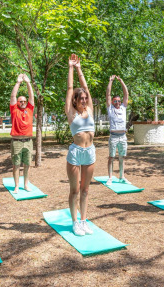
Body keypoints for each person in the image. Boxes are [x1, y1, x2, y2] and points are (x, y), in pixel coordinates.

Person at [65, 54, 96, 236]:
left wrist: (79, 68)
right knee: (75, 189)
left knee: (85, 189)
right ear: (75, 100)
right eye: (81, 98)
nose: (84, 100)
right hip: (76, 152)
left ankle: (84, 221)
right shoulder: (71, 113)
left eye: (85, 98)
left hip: (90, 152)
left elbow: (85, 87)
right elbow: (71, 88)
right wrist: (70, 68)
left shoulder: (90, 110)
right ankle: (75, 222)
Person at [9, 73, 35, 194]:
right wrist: (18, 82)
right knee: (16, 165)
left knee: (28, 165)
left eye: (24, 101)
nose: (23, 102)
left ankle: (25, 185)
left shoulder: (30, 109)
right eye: (21, 101)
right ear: (17, 102)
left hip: (28, 142)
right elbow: (13, 95)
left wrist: (28, 82)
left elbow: (31, 95)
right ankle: (16, 186)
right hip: (17, 142)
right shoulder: (14, 110)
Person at [106, 75, 129, 185]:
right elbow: (108, 95)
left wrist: (121, 81)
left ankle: (122, 176)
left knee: (122, 157)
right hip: (114, 136)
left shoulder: (123, 108)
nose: (117, 103)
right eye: (115, 101)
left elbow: (126, 94)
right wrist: (110, 81)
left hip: (123, 136)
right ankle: (110, 177)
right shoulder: (110, 109)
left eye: (118, 101)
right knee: (111, 157)